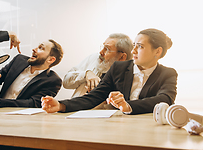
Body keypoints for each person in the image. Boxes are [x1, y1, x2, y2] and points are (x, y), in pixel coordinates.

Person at [42, 28, 177, 115]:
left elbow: (165, 99)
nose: (133, 51)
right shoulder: (119, 68)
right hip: (118, 128)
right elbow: (95, 96)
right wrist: (61, 105)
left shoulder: (168, 74)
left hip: (149, 129)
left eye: (140, 46)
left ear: (157, 51)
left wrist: (127, 105)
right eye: (134, 45)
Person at [0, 39, 63, 108]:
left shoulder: (53, 81)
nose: (34, 49)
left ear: (50, 60)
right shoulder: (19, 60)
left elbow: (33, 103)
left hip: (22, 120)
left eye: (41, 48)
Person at [63, 33, 133, 98]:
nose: (101, 52)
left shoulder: (128, 79)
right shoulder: (94, 58)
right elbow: (65, 82)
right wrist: (86, 74)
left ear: (122, 57)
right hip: (74, 108)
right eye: (103, 47)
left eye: (107, 49)